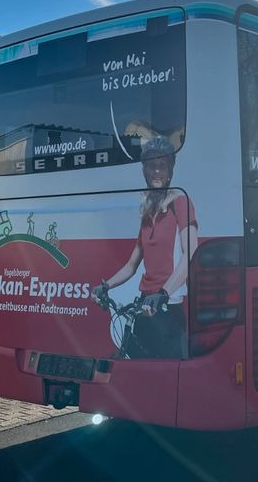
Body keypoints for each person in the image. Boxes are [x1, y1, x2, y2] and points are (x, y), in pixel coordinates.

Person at [93, 135, 198, 358]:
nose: (157, 171)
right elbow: (131, 265)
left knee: (165, 372)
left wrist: (163, 293)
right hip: (145, 304)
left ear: (170, 170)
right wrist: (105, 286)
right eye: (151, 166)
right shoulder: (148, 213)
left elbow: (191, 253)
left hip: (168, 306)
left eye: (162, 165)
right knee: (133, 362)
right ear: (145, 171)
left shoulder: (180, 203)